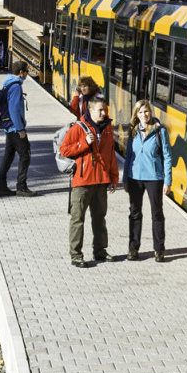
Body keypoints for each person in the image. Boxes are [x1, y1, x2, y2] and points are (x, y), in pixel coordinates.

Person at [59, 96, 119, 267]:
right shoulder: (79, 128)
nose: (103, 113)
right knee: (78, 218)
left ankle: (100, 250)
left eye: (105, 110)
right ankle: (76, 255)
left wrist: (114, 178)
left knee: (100, 218)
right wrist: (83, 143)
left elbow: (110, 155)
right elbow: (64, 150)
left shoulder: (107, 128)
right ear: (90, 110)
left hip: (101, 181)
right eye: (100, 110)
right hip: (82, 181)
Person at [123, 99, 172, 262]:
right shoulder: (133, 131)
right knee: (135, 213)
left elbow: (167, 156)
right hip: (134, 177)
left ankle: (159, 250)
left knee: (157, 213)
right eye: (140, 112)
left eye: (146, 111)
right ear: (136, 115)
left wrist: (167, 181)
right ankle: (133, 249)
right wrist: (125, 179)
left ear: (150, 112)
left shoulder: (160, 131)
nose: (144, 114)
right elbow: (129, 155)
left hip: (154, 178)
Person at [0, 60, 36, 197]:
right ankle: (21, 187)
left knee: (8, 156)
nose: (27, 74)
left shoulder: (9, 83)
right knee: (25, 155)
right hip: (15, 128)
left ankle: (1, 187)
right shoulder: (15, 87)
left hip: (10, 128)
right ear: (21, 72)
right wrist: (20, 129)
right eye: (26, 71)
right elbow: (13, 110)